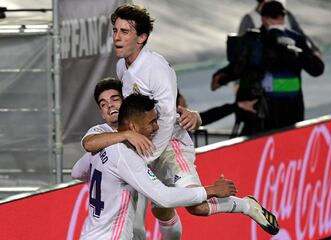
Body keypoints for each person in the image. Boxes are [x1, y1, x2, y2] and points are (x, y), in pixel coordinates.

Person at [84, 4, 279, 239]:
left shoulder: (155, 68)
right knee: (160, 210)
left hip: (170, 145)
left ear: (142, 37)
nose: (117, 37)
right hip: (146, 144)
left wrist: (146, 155)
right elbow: (139, 110)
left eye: (125, 32)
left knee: (196, 206)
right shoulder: (121, 66)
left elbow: (166, 119)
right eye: (115, 30)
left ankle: (246, 206)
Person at [72, 93, 238, 240]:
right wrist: (211, 190)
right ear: (133, 127)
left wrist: (110, 180)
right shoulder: (125, 156)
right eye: (151, 122)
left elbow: (77, 172)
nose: (156, 127)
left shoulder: (100, 147)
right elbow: (164, 197)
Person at [212, 1, 324, 136]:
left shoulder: (295, 40)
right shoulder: (253, 40)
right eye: (274, 17)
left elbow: (317, 69)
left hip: (291, 110)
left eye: (280, 17)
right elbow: (239, 67)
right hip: (260, 111)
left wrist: (298, 53)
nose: (278, 21)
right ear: (263, 19)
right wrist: (222, 77)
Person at [238, 0, 321, 55]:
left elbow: (299, 33)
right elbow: (241, 49)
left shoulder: (286, 14)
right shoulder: (249, 18)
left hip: (287, 69)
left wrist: (313, 50)